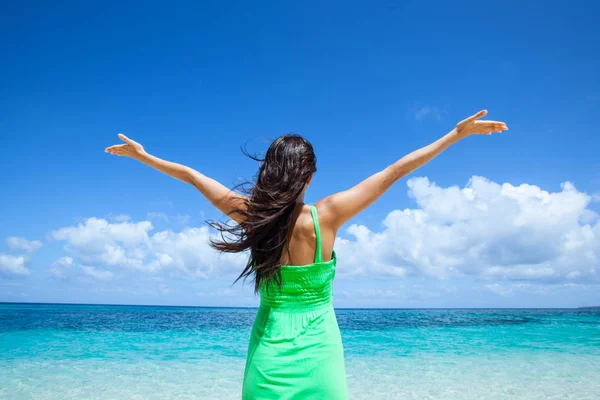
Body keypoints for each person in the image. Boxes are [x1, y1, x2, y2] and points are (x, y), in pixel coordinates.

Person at [105, 110, 507, 399]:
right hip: (321, 357)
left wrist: (144, 156)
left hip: (269, 357)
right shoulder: (327, 216)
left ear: (270, 172)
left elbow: (194, 176)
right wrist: (455, 136)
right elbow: (395, 171)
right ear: (309, 176)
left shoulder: (251, 215)